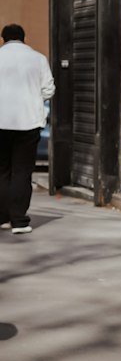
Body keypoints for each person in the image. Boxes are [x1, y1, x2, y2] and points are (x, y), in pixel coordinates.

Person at [0, 24, 54, 235]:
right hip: (28, 123)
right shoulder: (38, 59)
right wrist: (34, 98)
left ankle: (2, 217)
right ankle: (19, 221)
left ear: (3, 38)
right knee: (22, 171)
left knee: (2, 170)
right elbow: (48, 89)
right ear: (23, 38)